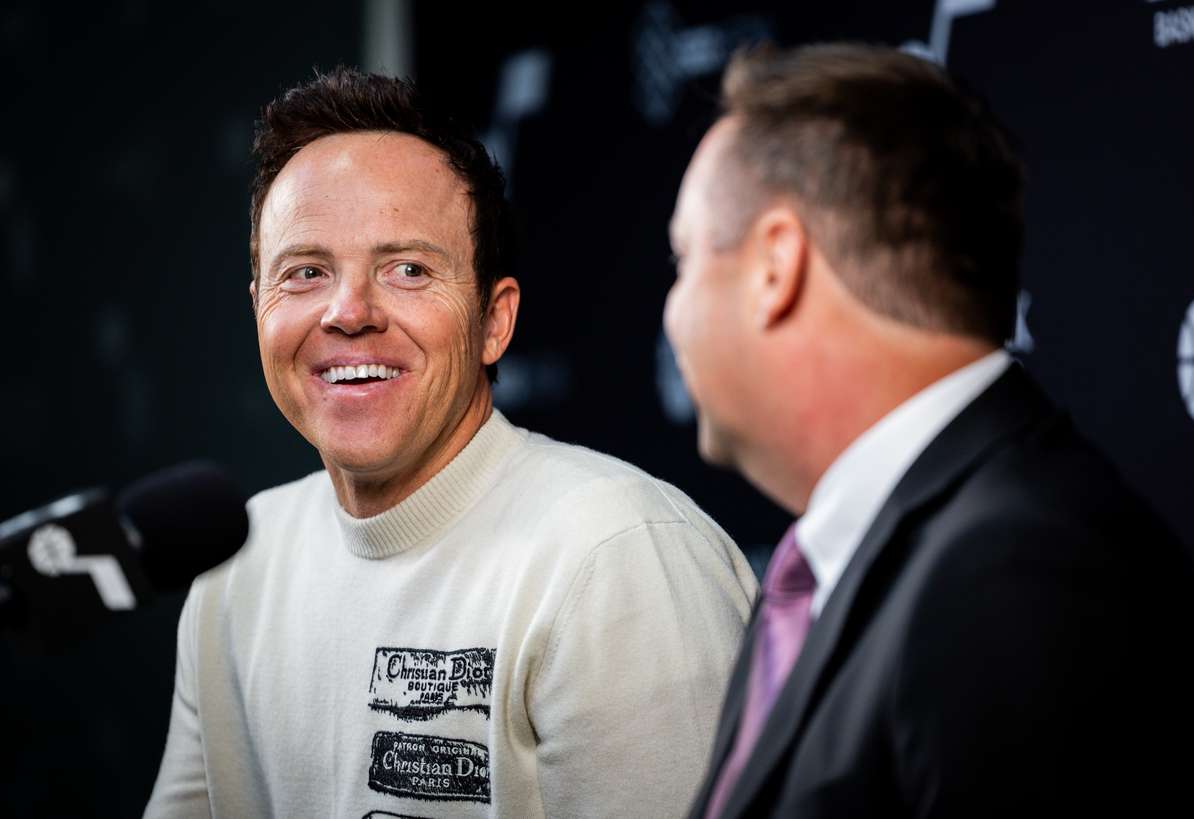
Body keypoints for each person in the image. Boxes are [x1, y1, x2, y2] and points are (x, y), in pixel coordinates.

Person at [145, 67, 758, 819]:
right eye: (305, 272)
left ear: (494, 321)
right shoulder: (234, 563)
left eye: (406, 269)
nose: (348, 311)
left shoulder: (616, 556)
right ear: (258, 311)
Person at [666, 43, 1194, 818]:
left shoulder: (1014, 573)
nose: (672, 311)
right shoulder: (856, 563)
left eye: (686, 257)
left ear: (775, 265)